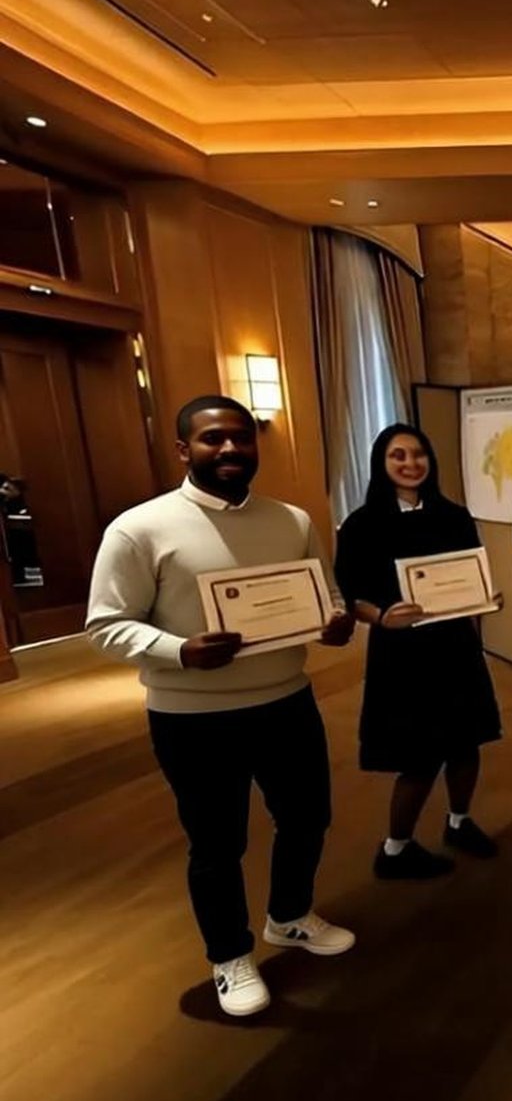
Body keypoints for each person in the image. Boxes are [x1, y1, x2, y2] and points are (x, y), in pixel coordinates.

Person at [85, 395, 356, 1018]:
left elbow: (327, 594)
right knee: (216, 843)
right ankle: (228, 956)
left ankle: (289, 916)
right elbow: (104, 625)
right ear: (184, 450)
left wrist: (333, 623)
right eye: (212, 440)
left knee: (308, 817)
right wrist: (179, 651)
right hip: (193, 718)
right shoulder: (139, 528)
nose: (230, 449)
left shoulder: (290, 520)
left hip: (286, 701)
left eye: (241, 438)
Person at [335, 424, 504, 881]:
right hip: (402, 653)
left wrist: (485, 599)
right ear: (381, 464)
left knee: (467, 742)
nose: (411, 464)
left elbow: (473, 571)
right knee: (419, 755)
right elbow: (351, 591)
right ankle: (395, 848)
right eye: (398, 456)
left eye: (419, 454)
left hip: (455, 646)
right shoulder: (362, 523)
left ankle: (459, 821)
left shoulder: (453, 515)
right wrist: (380, 616)